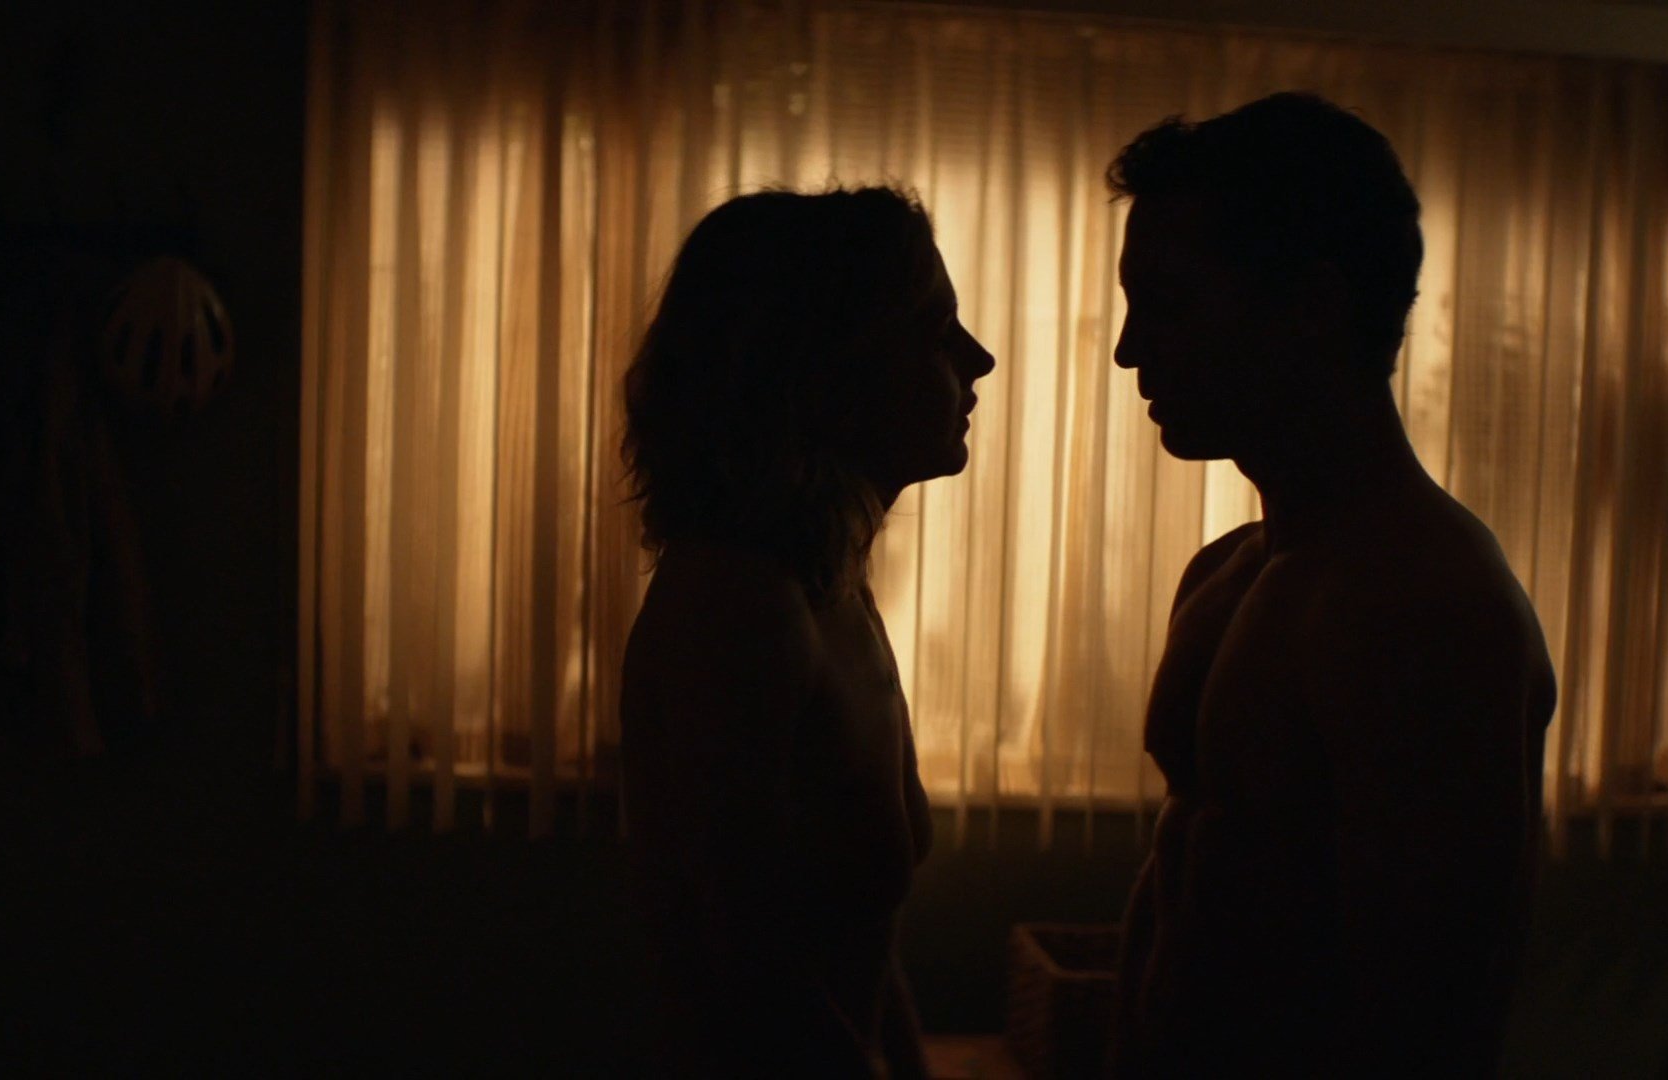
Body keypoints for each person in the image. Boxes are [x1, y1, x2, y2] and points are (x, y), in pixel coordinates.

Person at [1104, 93, 1557, 1077]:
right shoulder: (1228, 572)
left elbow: (1430, 1016)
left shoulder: (1425, 603)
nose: (1130, 350)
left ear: (1311, 307)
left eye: (1170, 303)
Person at [618, 186, 995, 1078]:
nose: (978, 358)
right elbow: (751, 973)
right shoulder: (736, 605)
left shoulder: (830, 588)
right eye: (935, 332)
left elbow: (860, 944)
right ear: (831, 372)